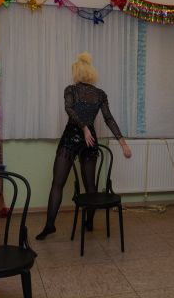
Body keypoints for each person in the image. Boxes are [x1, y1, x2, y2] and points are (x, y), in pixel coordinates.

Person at [36, 52, 132, 240]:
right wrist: (86, 128)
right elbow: (70, 110)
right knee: (67, 184)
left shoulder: (77, 91)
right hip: (80, 138)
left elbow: (107, 118)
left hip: (78, 138)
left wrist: (123, 143)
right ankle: (52, 225)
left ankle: (79, 223)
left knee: (76, 185)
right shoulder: (86, 92)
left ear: (77, 72)